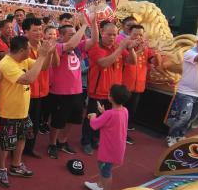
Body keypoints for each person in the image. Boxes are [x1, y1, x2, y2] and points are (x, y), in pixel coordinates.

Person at [0, 36, 53, 187]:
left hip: (22, 110)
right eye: (29, 48)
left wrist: (49, 53)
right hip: (8, 112)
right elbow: (28, 79)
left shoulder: (23, 60)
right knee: (6, 144)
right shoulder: (7, 63)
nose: (31, 50)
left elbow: (44, 67)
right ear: (22, 50)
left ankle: (16, 165)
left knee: (22, 138)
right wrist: (41, 56)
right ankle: (1, 169)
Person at [81, 21, 136, 155]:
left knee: (106, 119)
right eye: (109, 34)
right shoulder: (96, 47)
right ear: (101, 33)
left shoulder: (117, 46)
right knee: (92, 116)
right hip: (98, 90)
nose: (112, 37)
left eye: (115, 34)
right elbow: (104, 63)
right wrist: (120, 48)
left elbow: (132, 61)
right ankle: (86, 141)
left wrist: (130, 49)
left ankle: (96, 139)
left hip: (113, 93)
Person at [47, 21, 92, 159]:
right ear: (61, 36)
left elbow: (94, 40)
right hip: (60, 91)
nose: (75, 36)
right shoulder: (58, 46)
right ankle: (52, 144)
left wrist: (93, 22)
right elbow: (71, 44)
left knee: (74, 119)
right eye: (71, 34)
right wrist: (84, 25)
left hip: (77, 91)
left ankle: (63, 141)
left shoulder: (78, 48)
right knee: (58, 120)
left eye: (75, 33)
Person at [84, 85, 131, 190]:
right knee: (103, 166)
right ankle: (99, 186)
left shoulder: (109, 114)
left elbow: (94, 125)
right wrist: (103, 112)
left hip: (109, 147)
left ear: (111, 97)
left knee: (106, 170)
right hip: (116, 146)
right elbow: (111, 121)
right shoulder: (124, 110)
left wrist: (93, 116)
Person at [21, 17, 55, 158]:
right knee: (24, 125)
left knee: (35, 124)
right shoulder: (23, 48)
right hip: (27, 93)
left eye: (40, 29)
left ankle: (29, 149)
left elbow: (45, 67)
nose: (39, 33)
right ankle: (18, 151)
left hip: (41, 92)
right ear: (26, 32)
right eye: (35, 30)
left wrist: (49, 53)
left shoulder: (42, 45)